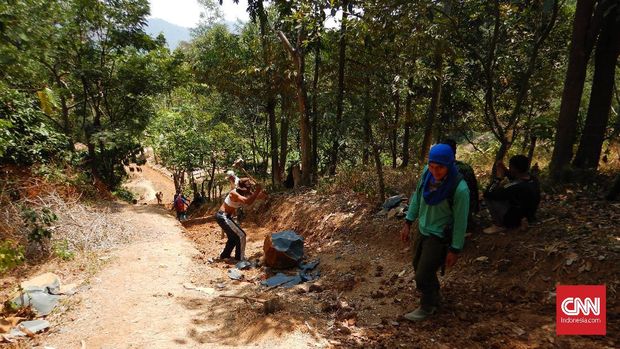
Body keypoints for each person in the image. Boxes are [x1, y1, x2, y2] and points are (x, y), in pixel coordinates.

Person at [400, 143, 470, 321]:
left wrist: (455, 249)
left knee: (423, 274)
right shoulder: (426, 174)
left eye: (440, 168)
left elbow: (461, 221)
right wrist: (408, 222)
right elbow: (417, 197)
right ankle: (435, 296)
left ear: (449, 165)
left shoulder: (459, 189)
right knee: (418, 265)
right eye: (432, 166)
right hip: (422, 228)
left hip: (439, 236)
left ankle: (427, 306)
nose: (435, 171)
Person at [482, 155, 541, 234]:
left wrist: (498, 178)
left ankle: (498, 225)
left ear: (513, 168)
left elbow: (488, 193)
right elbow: (515, 178)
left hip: (514, 220)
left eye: (510, 167)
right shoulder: (533, 179)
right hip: (529, 215)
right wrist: (505, 170)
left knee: (489, 197)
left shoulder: (514, 187)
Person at [216, 179, 264, 261]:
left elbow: (256, 196)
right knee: (242, 235)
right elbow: (248, 202)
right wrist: (257, 191)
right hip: (223, 216)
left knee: (233, 237)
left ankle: (225, 255)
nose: (250, 190)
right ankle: (240, 259)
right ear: (244, 188)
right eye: (249, 187)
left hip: (226, 217)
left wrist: (263, 193)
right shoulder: (234, 193)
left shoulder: (244, 192)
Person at [441, 138, 480, 224]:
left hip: (450, 216)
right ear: (455, 151)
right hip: (468, 211)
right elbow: (474, 190)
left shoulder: (441, 169)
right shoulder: (466, 167)